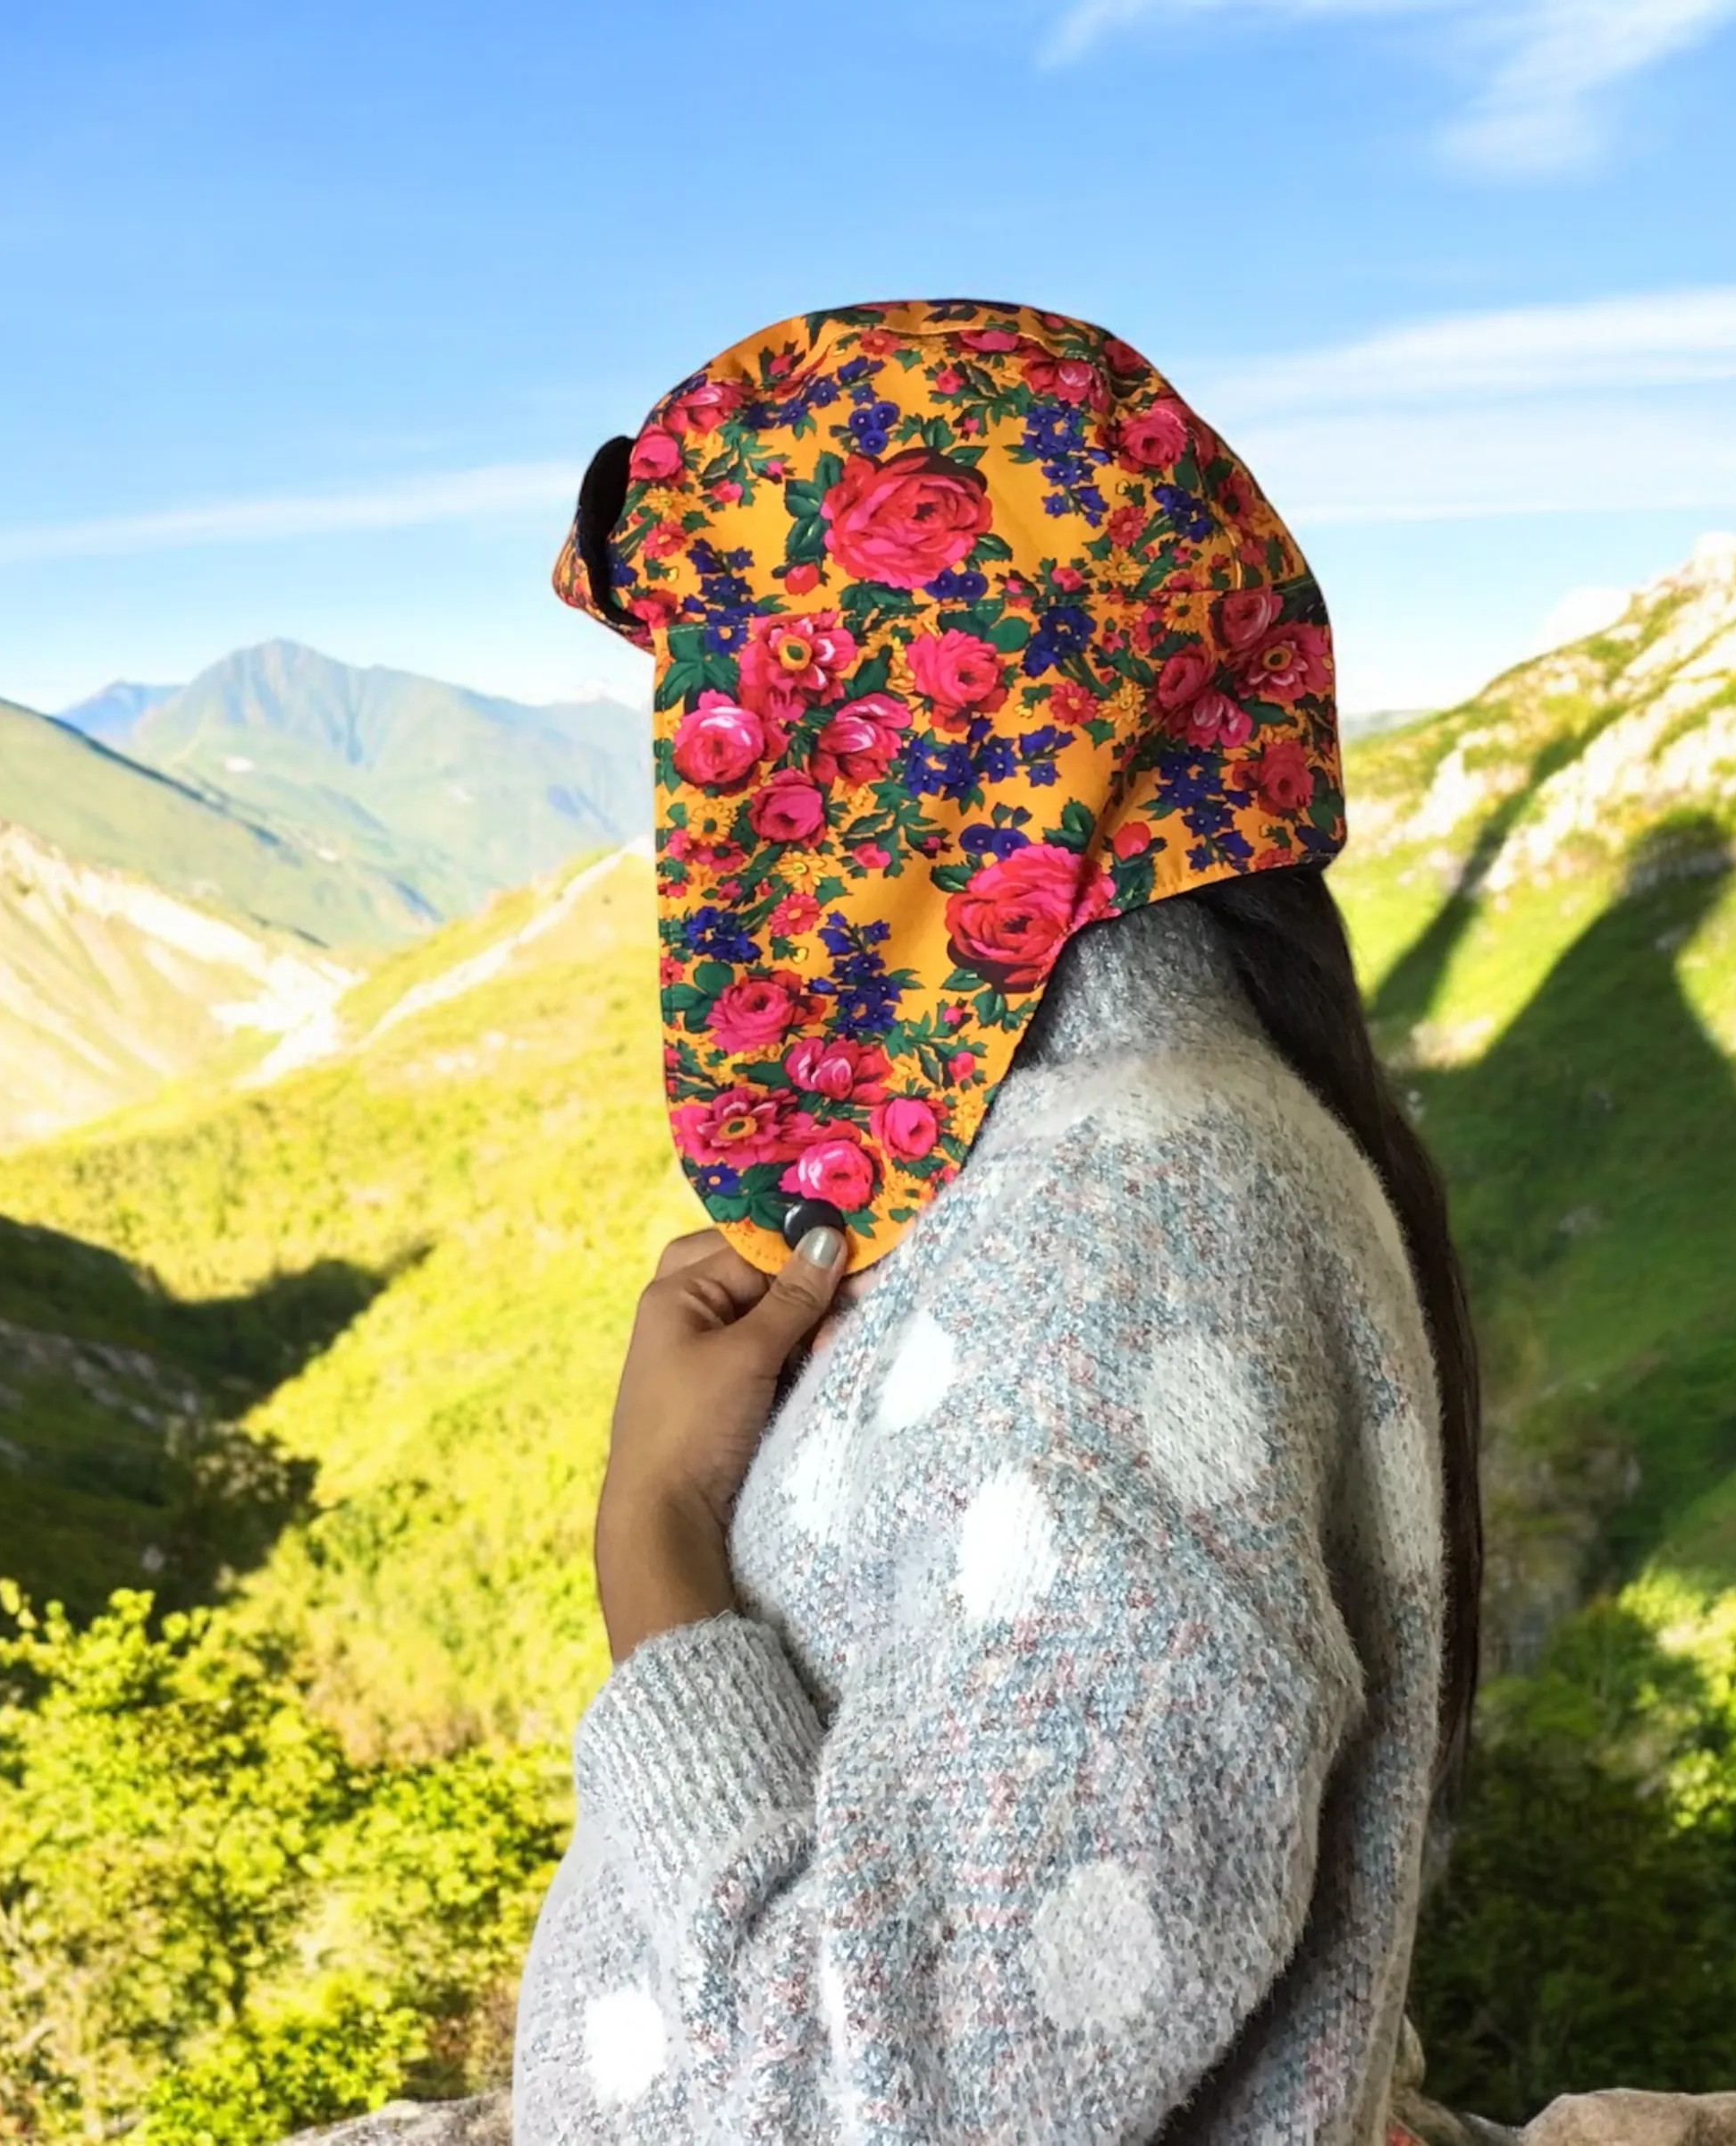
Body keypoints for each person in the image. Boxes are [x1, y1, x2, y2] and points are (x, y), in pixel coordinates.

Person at [510, 297, 1483, 2144]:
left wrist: (653, 1543)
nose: (704, 783)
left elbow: (899, 2105)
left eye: (724, 697)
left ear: (897, 728)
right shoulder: (1095, 1165)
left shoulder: (1124, 1236)